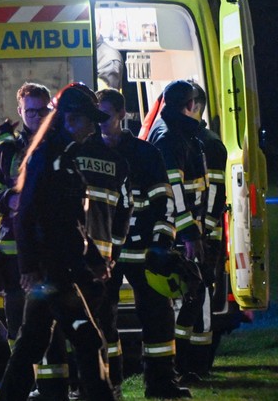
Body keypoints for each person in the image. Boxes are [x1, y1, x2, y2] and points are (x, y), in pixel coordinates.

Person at [0, 82, 115, 401]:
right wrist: (29, 267)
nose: (93, 127)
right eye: (88, 119)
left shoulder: (64, 155)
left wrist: (92, 257)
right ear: (70, 119)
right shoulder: (48, 158)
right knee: (87, 339)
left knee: (32, 343)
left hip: (57, 269)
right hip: (52, 271)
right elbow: (26, 214)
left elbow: (70, 221)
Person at [35, 85, 133, 401]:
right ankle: (105, 389)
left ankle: (89, 390)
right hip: (93, 260)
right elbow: (123, 213)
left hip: (77, 259)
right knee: (97, 329)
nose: (93, 126)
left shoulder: (62, 155)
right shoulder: (115, 161)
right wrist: (112, 253)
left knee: (70, 332)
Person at [97, 88, 191, 399]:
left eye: (106, 116)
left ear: (121, 115)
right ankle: (109, 387)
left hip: (143, 251)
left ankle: (162, 384)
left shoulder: (145, 153)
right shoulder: (89, 155)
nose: (99, 124)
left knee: (158, 316)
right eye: (95, 117)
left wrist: (162, 244)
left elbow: (165, 202)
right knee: (101, 320)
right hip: (104, 254)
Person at [0, 82, 51, 354]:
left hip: (48, 248)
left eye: (41, 110)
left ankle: (51, 382)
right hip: (12, 253)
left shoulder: (57, 145)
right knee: (17, 320)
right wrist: (7, 199)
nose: (36, 116)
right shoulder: (8, 152)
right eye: (30, 111)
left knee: (51, 318)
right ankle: (20, 378)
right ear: (20, 111)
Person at [146, 79, 208, 385]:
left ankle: (181, 365)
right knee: (187, 295)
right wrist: (189, 234)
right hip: (176, 231)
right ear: (191, 104)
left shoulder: (171, 131)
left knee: (187, 296)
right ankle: (180, 365)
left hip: (177, 228)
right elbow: (176, 189)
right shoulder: (171, 136)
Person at [185, 81, 226, 378]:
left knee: (202, 300)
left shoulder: (207, 143)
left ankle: (199, 361)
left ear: (195, 106)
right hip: (197, 234)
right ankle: (195, 360)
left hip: (204, 237)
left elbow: (213, 195)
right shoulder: (191, 139)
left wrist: (205, 235)